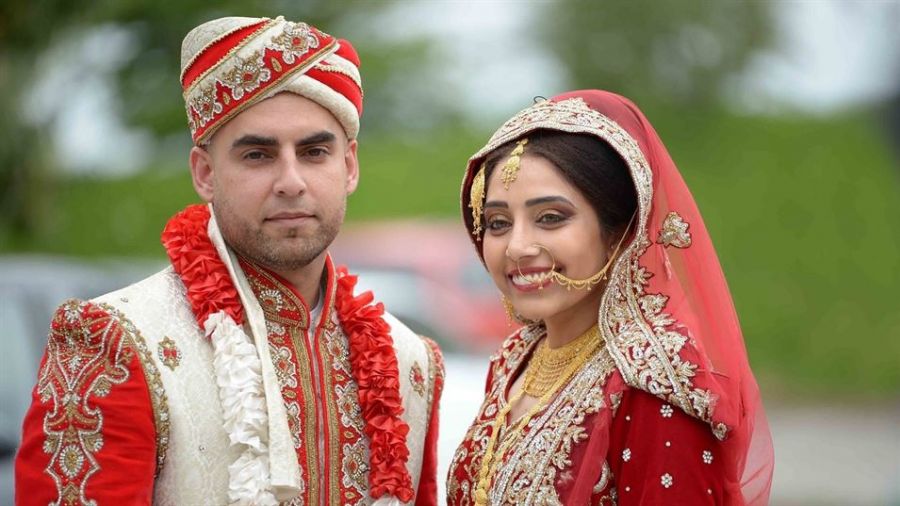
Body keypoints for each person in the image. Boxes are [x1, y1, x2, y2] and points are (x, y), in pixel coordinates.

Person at [15, 15, 444, 506]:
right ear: (204, 173)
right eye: (258, 155)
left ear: (348, 166)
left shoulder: (411, 364)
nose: (291, 181)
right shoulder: (117, 343)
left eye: (314, 152)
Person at [447, 90, 774, 505]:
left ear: (619, 234)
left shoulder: (653, 389)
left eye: (550, 218)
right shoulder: (514, 361)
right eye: (498, 223)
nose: (517, 247)